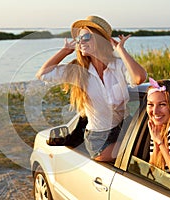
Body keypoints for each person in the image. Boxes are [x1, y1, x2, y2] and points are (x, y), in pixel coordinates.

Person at [36, 15, 147, 162]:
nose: (80, 41)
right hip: (99, 140)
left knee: (146, 148)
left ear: (101, 39)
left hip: (124, 129)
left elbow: (139, 77)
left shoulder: (118, 66)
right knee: (140, 152)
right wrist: (65, 51)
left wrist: (121, 50)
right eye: (78, 39)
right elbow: (43, 74)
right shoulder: (78, 70)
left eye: (86, 37)